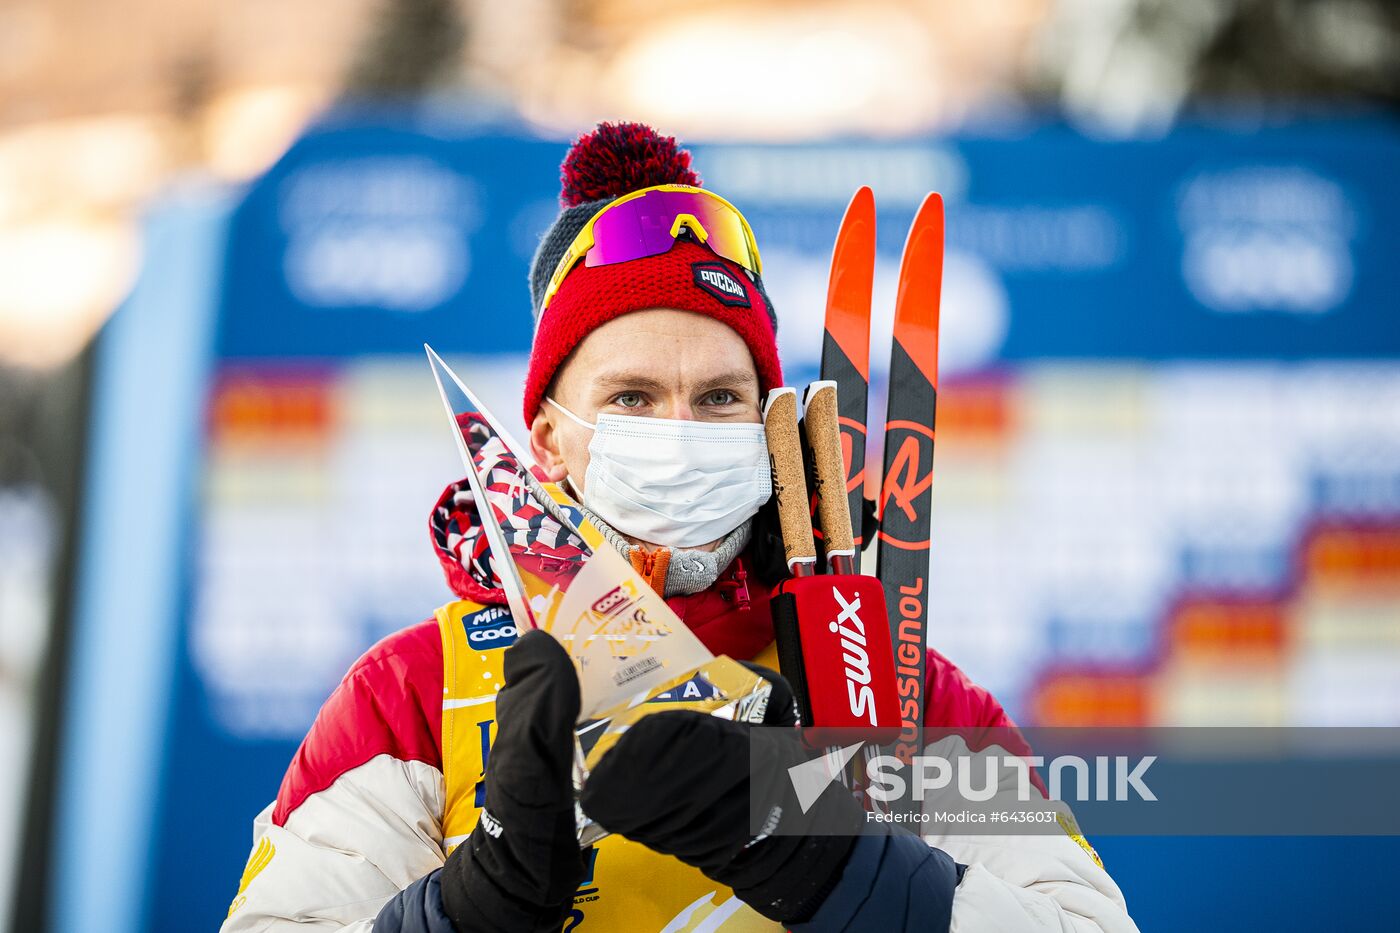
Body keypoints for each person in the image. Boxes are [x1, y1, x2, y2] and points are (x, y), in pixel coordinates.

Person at [220, 122, 1138, 933]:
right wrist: (463, 911)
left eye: (720, 398)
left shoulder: (900, 687)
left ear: (774, 432)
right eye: (631, 398)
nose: (681, 434)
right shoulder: (414, 696)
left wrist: (842, 869)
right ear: (546, 440)